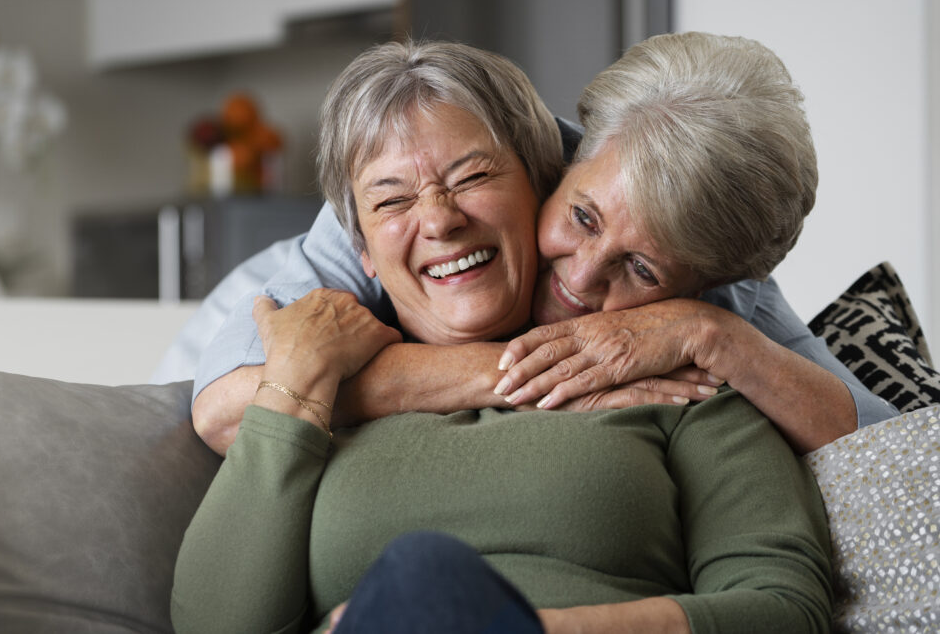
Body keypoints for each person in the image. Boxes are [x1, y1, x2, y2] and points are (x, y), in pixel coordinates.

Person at [170, 38, 832, 633]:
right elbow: (215, 625)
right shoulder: (318, 390)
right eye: (391, 200)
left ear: (539, 181)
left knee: (421, 579)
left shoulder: (678, 378)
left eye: (473, 177)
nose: (439, 219)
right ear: (360, 249)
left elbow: (783, 609)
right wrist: (296, 380)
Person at [181, 33, 896, 457]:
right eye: (582, 217)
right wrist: (529, 378)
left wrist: (709, 333)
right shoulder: (405, 200)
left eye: (642, 269)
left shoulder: (712, 267)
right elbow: (226, 407)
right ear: (563, 157)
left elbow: (883, 443)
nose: (582, 279)